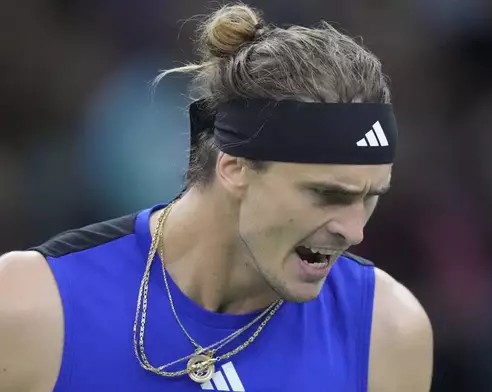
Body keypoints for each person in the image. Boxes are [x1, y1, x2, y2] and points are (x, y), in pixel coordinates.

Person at [0, 4, 433, 391]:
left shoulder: (387, 329)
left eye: (369, 197)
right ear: (235, 168)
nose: (354, 230)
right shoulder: (29, 306)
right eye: (325, 194)